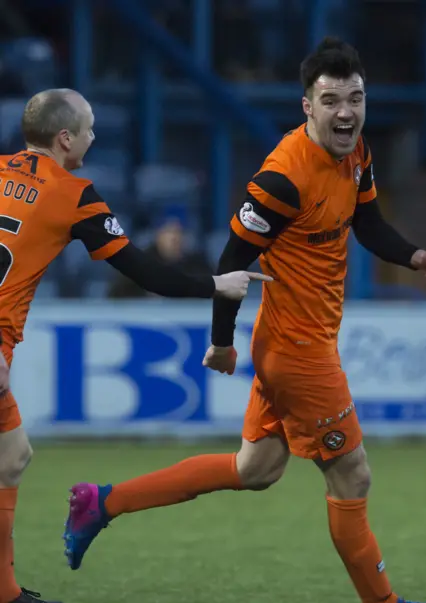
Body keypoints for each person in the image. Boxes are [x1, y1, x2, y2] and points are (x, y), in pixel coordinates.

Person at [63, 39, 426, 603]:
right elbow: (230, 261)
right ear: (307, 106)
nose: (346, 111)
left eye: (355, 98)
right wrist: (221, 343)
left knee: (256, 468)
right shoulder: (282, 179)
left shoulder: (355, 152)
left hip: (305, 338)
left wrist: (416, 257)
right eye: (331, 100)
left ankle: (102, 503)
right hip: (297, 350)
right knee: (353, 475)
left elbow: (366, 222)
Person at [0, 88, 269, 603]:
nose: (94, 136)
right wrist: (215, 285)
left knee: (11, 457)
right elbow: (143, 270)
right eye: (89, 128)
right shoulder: (74, 194)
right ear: (65, 138)